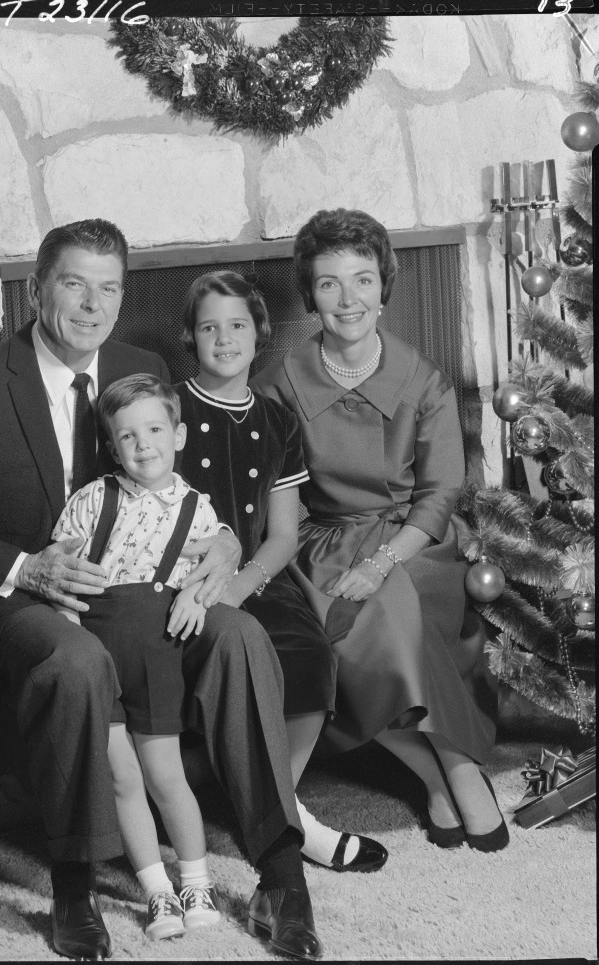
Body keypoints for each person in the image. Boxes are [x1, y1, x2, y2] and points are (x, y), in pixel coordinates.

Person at [0, 219, 323, 962]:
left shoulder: (137, 363)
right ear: (36, 289)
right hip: (8, 605)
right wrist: (27, 567)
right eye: (75, 284)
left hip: (142, 598)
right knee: (75, 658)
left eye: (109, 286)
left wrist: (223, 543)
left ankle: (280, 873)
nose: (93, 304)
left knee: (240, 635)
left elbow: (184, 483)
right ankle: (74, 882)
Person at [253, 208, 508, 854]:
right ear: (309, 294)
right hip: (324, 543)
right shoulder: (281, 387)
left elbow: (440, 492)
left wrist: (385, 558)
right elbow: (277, 498)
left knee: (394, 593)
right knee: (365, 609)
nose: (349, 299)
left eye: (363, 280)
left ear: (384, 285)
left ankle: (445, 769)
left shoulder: (423, 379)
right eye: (330, 283)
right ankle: (445, 768)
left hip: (416, 539)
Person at [175, 271, 388, 874]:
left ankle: (278, 808)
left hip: (256, 580)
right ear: (190, 336)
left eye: (237, 325)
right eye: (209, 327)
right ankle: (290, 825)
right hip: (185, 583)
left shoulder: (278, 422)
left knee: (311, 656)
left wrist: (244, 586)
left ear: (259, 332)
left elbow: (284, 535)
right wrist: (214, 591)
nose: (224, 338)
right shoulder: (170, 406)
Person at [51, 374, 223, 941]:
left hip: (156, 652)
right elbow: (59, 571)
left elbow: (208, 572)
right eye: (127, 436)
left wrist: (197, 595)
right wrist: (71, 629)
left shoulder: (199, 511)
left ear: (178, 435)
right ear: (112, 446)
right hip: (95, 648)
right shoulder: (93, 499)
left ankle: (196, 881)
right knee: (122, 777)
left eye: (154, 430)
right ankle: (157, 893)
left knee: (164, 773)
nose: (142, 444)